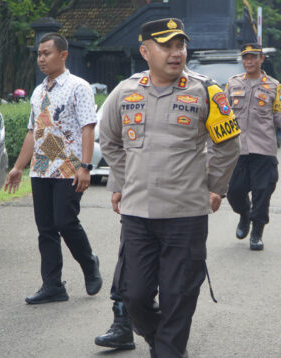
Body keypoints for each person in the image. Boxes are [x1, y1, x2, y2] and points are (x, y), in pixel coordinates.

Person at [99, 18, 240, 357]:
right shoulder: (125, 91)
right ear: (145, 51)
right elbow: (110, 140)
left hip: (185, 214)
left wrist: (215, 187)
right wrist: (121, 181)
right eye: (167, 45)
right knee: (133, 295)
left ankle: (168, 350)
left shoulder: (206, 90)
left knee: (179, 296)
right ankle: (163, 341)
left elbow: (228, 144)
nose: (176, 53)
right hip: (137, 213)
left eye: (180, 45)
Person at [4, 32, 102, 304]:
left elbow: (87, 128)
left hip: (69, 169)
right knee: (45, 228)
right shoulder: (38, 91)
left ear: (63, 55)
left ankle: (89, 263)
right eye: (39, 54)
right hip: (41, 170)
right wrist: (18, 167)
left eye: (47, 53)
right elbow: (31, 133)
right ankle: (53, 285)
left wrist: (85, 167)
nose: (41, 58)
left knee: (65, 221)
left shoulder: (78, 87)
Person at [225, 43, 281, 251]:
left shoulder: (273, 85)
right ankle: (244, 214)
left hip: (263, 148)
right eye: (245, 58)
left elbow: (276, 113)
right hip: (237, 148)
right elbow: (223, 112)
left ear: (261, 59)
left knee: (262, 192)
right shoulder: (232, 83)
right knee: (234, 192)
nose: (249, 61)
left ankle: (257, 232)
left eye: (253, 57)